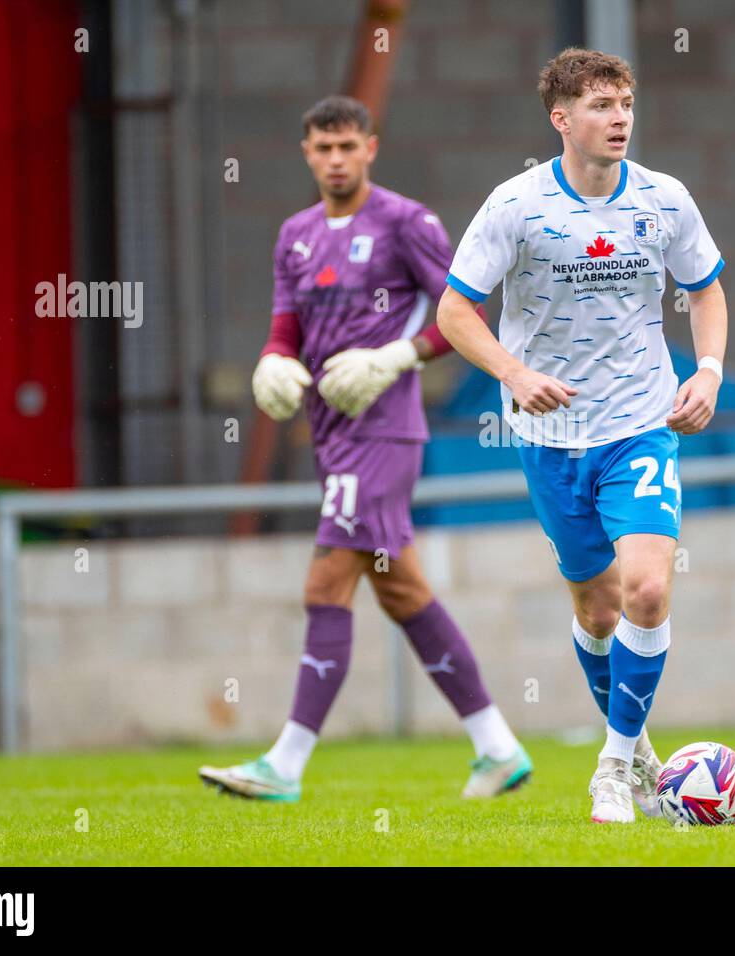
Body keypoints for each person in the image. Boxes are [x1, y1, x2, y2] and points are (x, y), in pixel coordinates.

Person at [199, 95, 529, 802]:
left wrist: (393, 358)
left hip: (384, 433)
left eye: (349, 146)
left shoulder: (406, 223)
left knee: (324, 585)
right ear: (307, 154)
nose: (337, 159)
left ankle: (284, 765)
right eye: (324, 148)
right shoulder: (294, 234)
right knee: (403, 590)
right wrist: (270, 362)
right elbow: (284, 327)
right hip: (329, 433)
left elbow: (458, 315)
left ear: (371, 148)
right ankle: (497, 747)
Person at [436, 49, 728, 823]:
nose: (620, 118)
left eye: (626, 102)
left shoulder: (665, 200)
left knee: (649, 589)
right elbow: (454, 311)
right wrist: (515, 373)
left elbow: (705, 291)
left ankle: (609, 766)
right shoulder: (516, 207)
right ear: (561, 120)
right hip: (552, 435)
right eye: (601, 105)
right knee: (598, 612)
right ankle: (635, 749)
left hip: (641, 424)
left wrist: (709, 371)